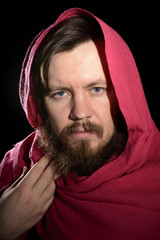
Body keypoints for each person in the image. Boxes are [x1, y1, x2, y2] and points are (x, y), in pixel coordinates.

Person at [0, 7, 160, 240]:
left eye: (97, 89)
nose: (80, 113)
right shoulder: (14, 170)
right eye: (60, 93)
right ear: (39, 106)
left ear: (127, 94)